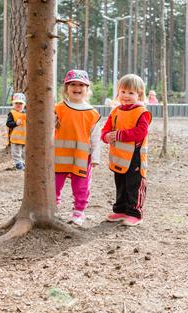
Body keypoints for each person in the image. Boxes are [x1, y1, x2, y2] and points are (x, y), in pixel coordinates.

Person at [101, 74, 152, 226]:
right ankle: (121, 210)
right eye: (123, 92)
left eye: (131, 93)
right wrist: (106, 137)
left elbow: (141, 132)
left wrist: (118, 135)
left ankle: (135, 213)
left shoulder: (142, 112)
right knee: (120, 183)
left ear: (139, 95)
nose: (126, 96)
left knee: (134, 184)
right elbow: (106, 129)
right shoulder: (116, 111)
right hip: (119, 157)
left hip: (135, 156)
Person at [55, 69, 101, 226]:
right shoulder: (58, 108)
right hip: (59, 155)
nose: (77, 87)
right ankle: (52, 209)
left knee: (81, 186)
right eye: (73, 84)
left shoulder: (92, 113)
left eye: (81, 84)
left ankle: (79, 212)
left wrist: (95, 157)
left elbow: (95, 138)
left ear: (87, 89)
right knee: (54, 184)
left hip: (81, 157)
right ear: (66, 88)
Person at [6, 93, 27, 170]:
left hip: (25, 138)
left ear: (24, 104)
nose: (18, 105)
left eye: (20, 103)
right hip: (15, 138)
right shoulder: (12, 113)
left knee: (24, 153)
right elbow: (8, 124)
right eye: (16, 103)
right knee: (16, 153)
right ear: (13, 104)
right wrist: (15, 123)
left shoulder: (26, 114)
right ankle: (19, 165)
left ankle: (23, 164)